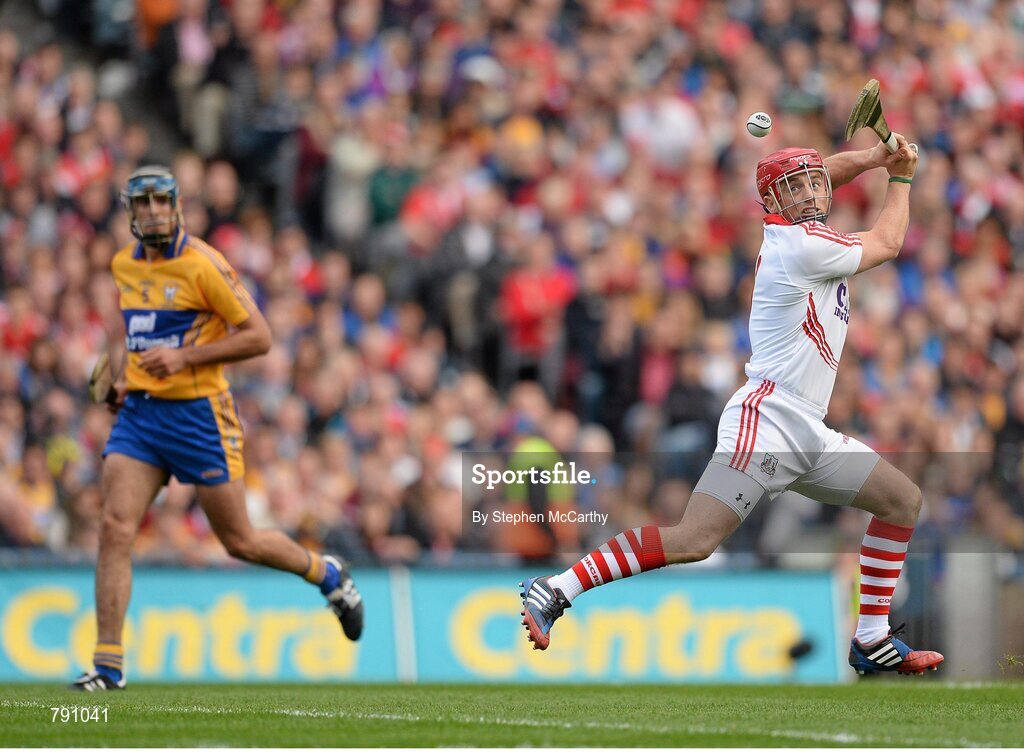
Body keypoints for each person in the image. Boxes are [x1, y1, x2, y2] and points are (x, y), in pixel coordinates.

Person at [520, 136, 945, 677]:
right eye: (797, 187)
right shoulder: (803, 244)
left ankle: (870, 637)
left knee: (902, 502)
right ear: (775, 203)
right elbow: (887, 241)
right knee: (694, 540)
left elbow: (823, 176)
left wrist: (872, 158)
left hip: (807, 429)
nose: (812, 192)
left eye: (813, 182)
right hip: (766, 421)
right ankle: (556, 587)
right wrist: (903, 177)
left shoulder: (798, 227)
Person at [70, 166, 363, 691]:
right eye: (144, 203)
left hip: (199, 416)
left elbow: (260, 336)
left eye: (163, 201)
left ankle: (327, 573)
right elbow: (134, 334)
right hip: (141, 417)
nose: (155, 211)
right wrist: (120, 379)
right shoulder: (123, 266)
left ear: (177, 206)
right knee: (115, 528)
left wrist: (185, 358)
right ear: (131, 212)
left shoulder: (204, 263)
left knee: (240, 541)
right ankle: (108, 668)